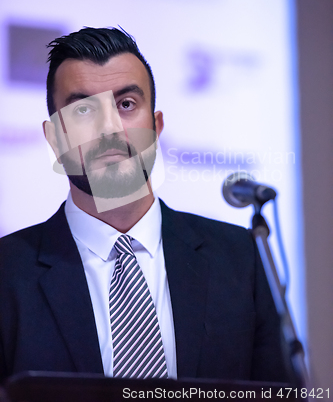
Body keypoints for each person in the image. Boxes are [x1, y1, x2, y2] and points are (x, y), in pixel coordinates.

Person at [0, 27, 290, 384]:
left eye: (126, 104)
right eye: (83, 109)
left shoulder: (241, 260)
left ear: (156, 126)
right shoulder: (7, 273)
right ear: (54, 139)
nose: (108, 129)